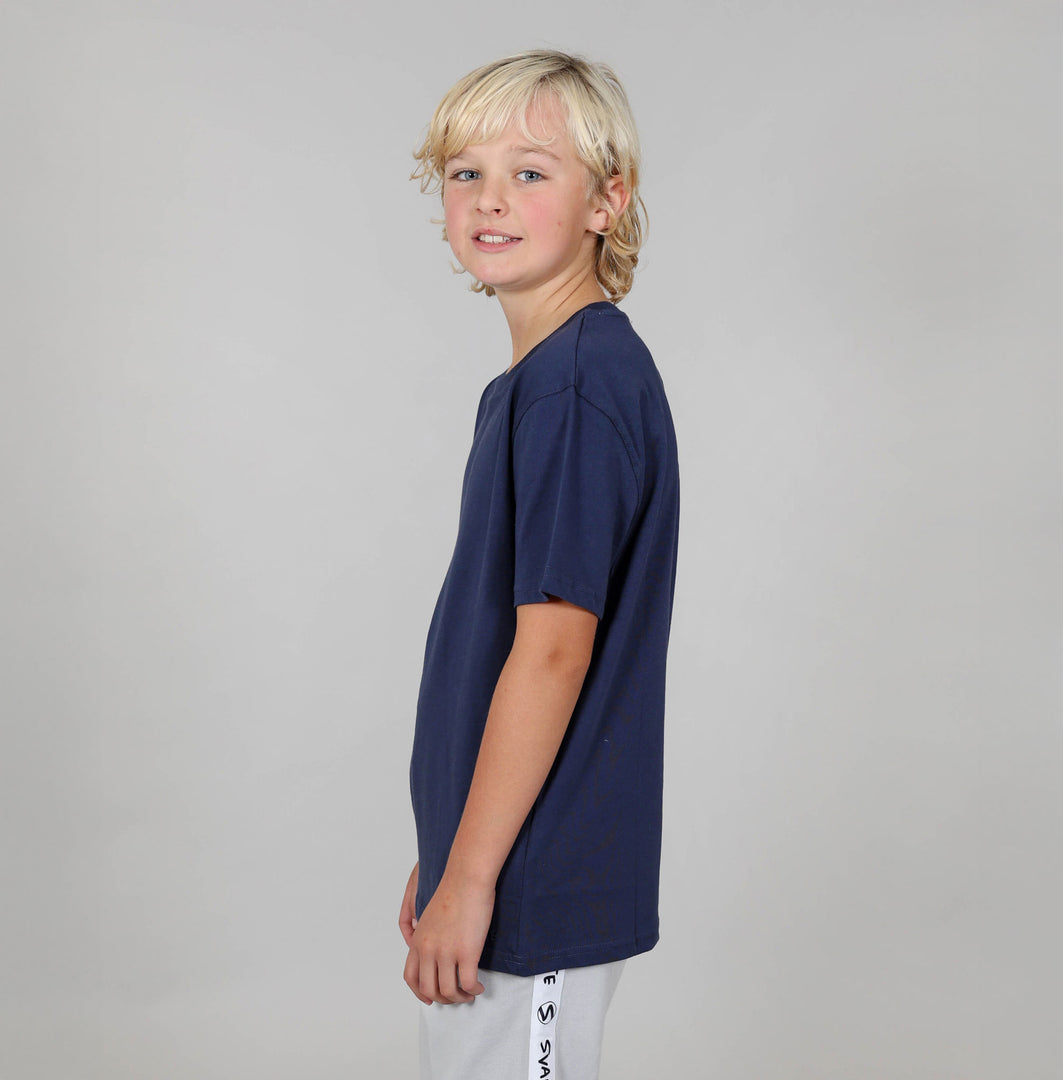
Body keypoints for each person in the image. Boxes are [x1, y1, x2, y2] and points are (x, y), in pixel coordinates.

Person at [400, 49, 680, 1080]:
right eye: (464, 172)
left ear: (608, 200)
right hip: (500, 863)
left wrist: (472, 879)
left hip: (534, 882)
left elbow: (555, 652)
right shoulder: (538, 384)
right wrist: (450, 851)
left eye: (530, 171)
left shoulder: (574, 385)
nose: (488, 199)